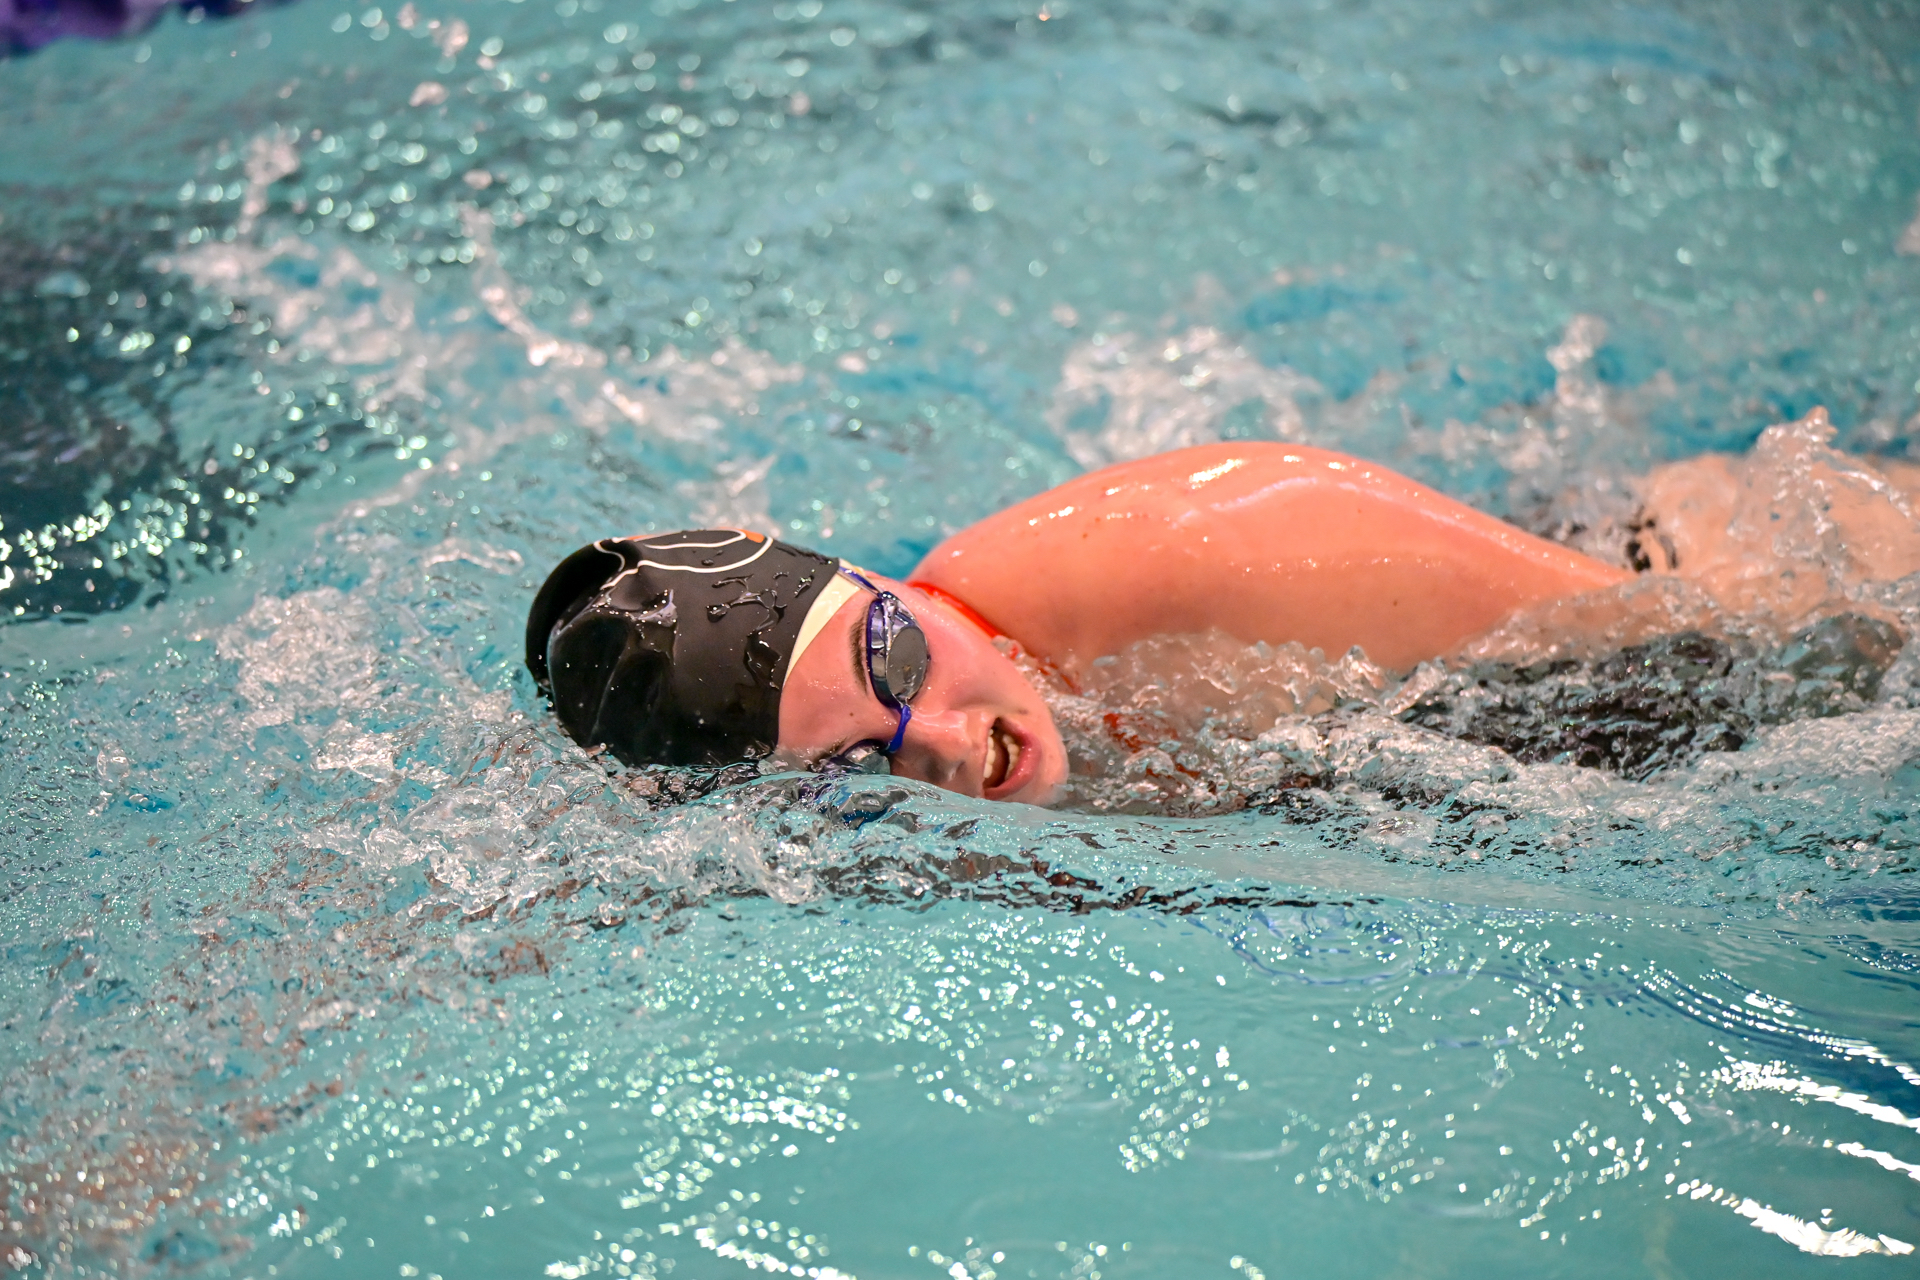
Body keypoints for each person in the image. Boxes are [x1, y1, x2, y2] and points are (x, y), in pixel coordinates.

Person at [526, 442, 1636, 806]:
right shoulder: (874, 835)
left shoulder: (1200, 554)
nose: (949, 743)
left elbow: (1670, 628)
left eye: (894, 658)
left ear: (884, 579)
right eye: (857, 766)